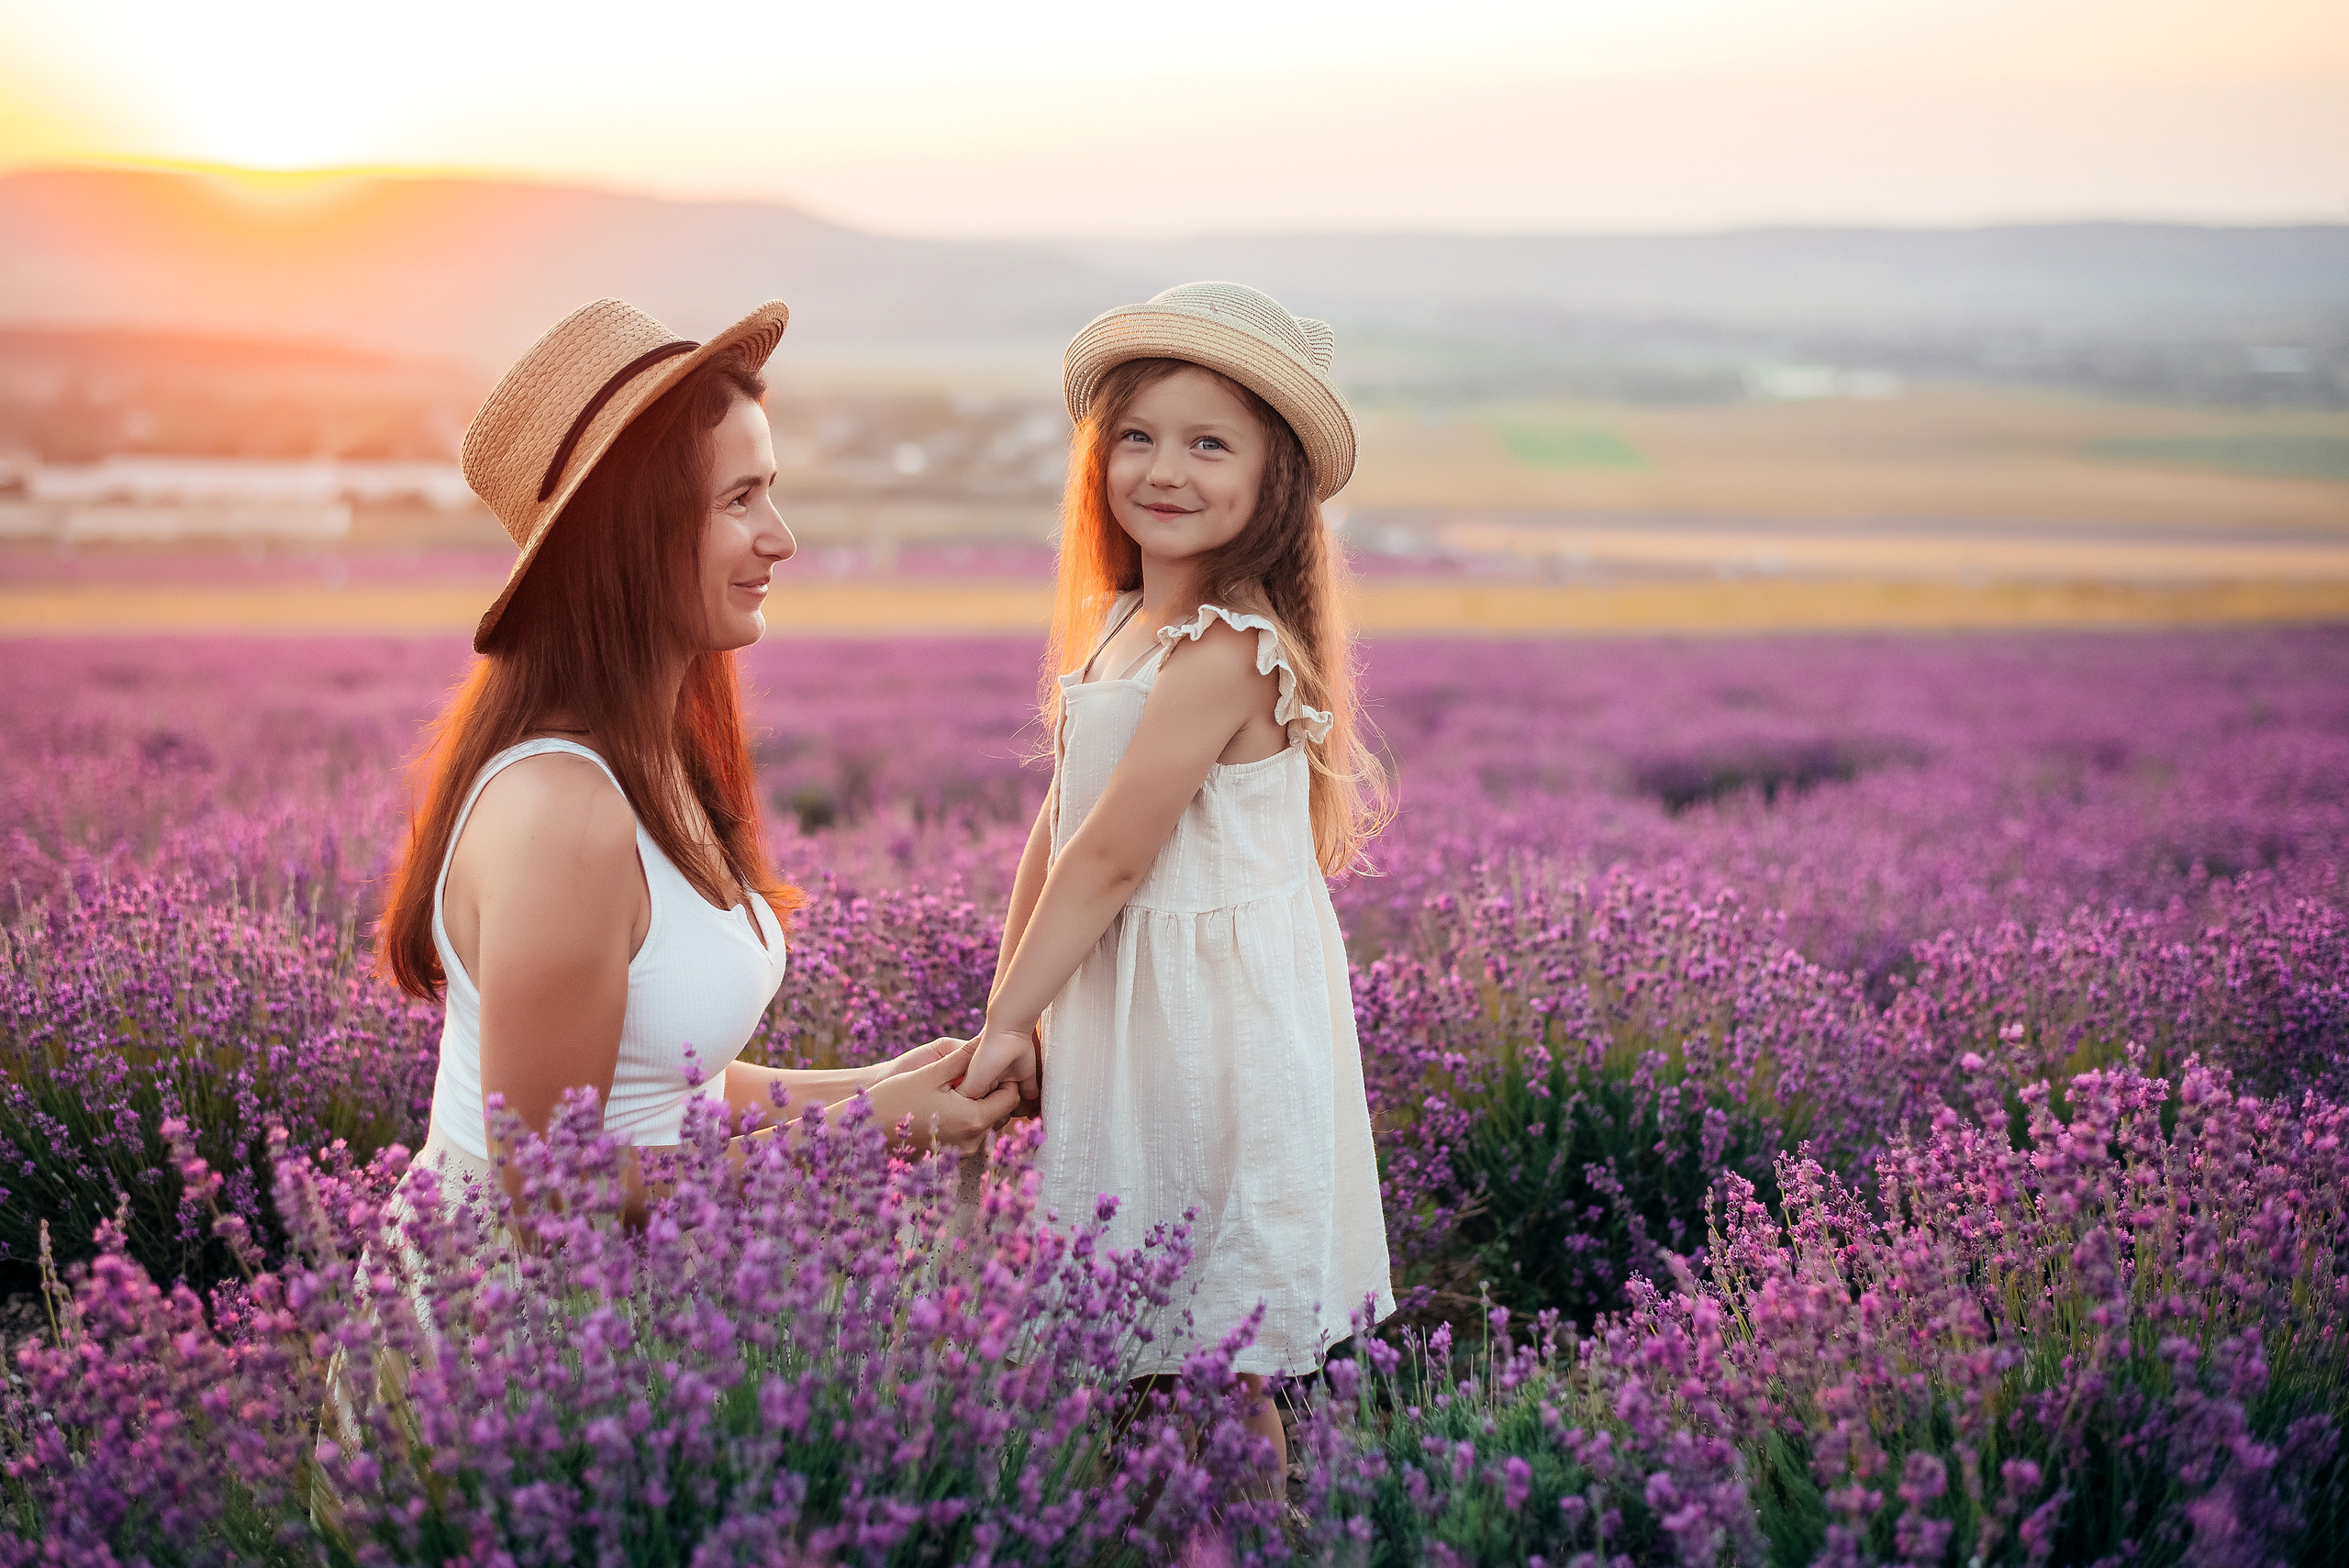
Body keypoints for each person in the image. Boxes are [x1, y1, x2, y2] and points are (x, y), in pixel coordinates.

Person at [376, 297, 1019, 1214]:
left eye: (771, 489)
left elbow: (667, 1085)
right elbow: (553, 1197)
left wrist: (884, 1084)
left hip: (631, 1319)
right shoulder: (561, 813)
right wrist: (870, 1131)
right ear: (633, 535)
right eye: (739, 498)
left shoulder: (650, 761)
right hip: (493, 1336)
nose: (780, 537)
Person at [958, 283, 1396, 1486]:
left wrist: (1004, 1022)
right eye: (1139, 436)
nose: (1166, 468)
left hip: (1215, 1028)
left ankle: (1264, 1532)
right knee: (1137, 1333)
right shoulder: (1119, 629)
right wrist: (1019, 1008)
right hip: (1134, 1008)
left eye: (1211, 444)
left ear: (1275, 483)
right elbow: (1059, 830)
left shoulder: (1226, 647)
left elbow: (1113, 856)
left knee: (1215, 1339)